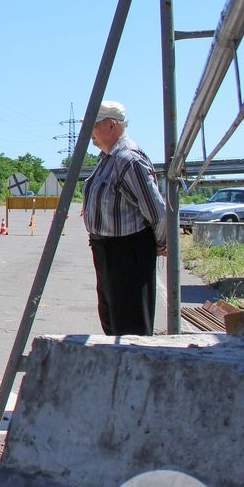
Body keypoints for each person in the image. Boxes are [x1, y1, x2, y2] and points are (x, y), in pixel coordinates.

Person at [82, 100, 166, 336]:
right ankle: (120, 370)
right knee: (112, 320)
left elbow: (156, 209)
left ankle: (136, 372)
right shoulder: (107, 158)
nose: (89, 134)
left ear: (111, 125)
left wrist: (159, 242)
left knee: (131, 327)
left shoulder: (128, 159)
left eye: (93, 126)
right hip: (106, 249)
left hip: (127, 252)